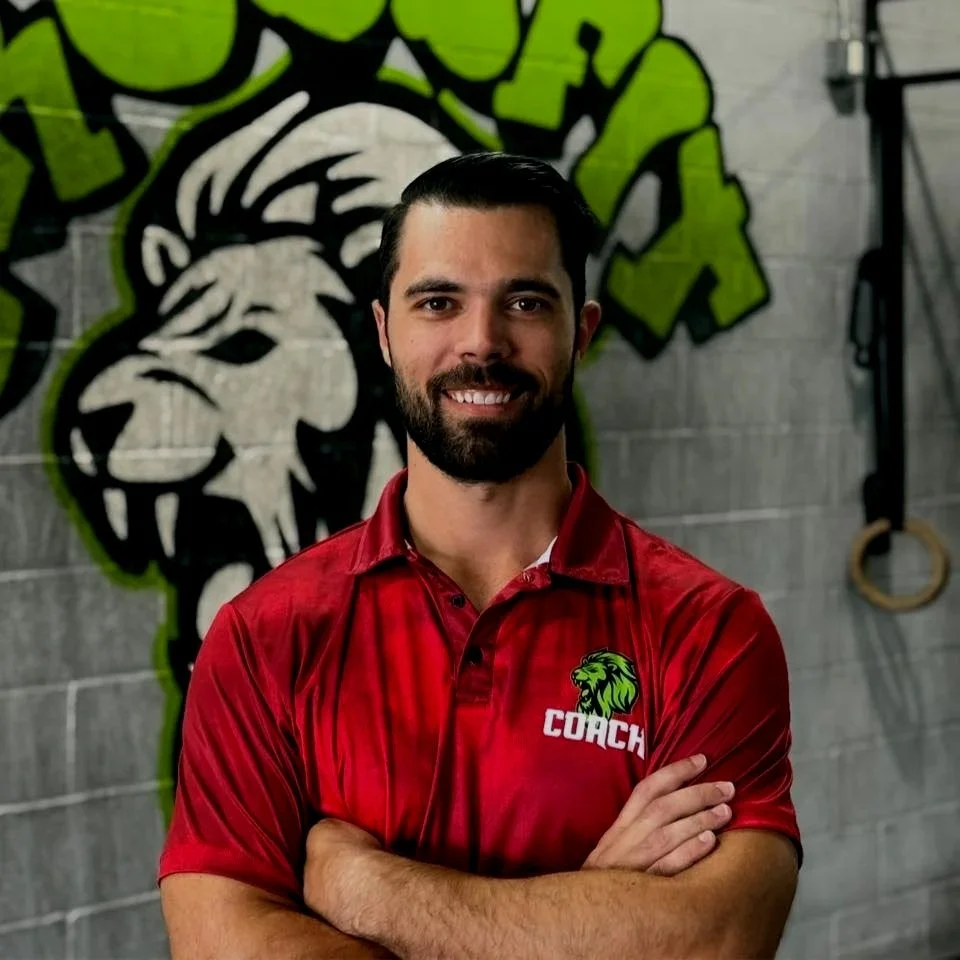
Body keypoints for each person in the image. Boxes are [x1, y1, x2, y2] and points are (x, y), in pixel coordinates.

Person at [158, 152, 802, 959]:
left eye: (526, 302)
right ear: (386, 333)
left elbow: (716, 940)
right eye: (438, 302)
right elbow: (223, 945)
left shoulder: (708, 630)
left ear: (583, 333)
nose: (482, 343)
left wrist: (368, 889)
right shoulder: (264, 638)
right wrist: (595, 914)